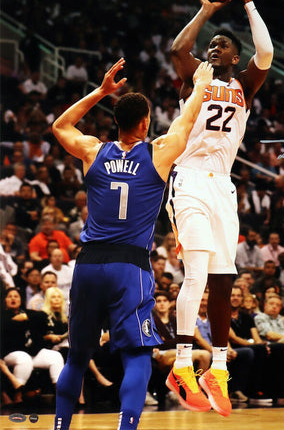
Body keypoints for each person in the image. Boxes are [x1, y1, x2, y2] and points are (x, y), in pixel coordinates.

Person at [51, 57, 214, 430]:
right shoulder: (157, 153)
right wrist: (202, 82)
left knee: (77, 357)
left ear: (116, 121)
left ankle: (59, 426)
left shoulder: (93, 151)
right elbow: (187, 121)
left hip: (89, 263)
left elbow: (60, 125)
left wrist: (102, 90)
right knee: (138, 355)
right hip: (130, 267)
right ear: (144, 123)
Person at [165, 0, 273, 417]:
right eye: (211, 45)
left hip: (223, 188)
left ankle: (219, 368)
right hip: (189, 177)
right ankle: (184, 363)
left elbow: (265, 53)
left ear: (235, 57)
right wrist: (207, 11)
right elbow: (177, 47)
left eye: (222, 46)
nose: (213, 48)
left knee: (225, 280)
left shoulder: (246, 84)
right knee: (194, 274)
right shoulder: (200, 77)